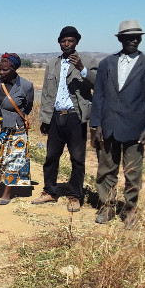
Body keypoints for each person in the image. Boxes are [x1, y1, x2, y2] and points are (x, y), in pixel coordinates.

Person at [90, 20, 145, 227]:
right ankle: (107, 207)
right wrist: (96, 124)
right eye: (129, 37)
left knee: (132, 173)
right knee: (106, 171)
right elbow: (99, 95)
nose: (134, 40)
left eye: (137, 37)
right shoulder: (107, 64)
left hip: (135, 128)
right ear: (120, 39)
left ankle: (130, 212)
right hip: (108, 126)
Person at [33, 26, 98, 212]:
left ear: (77, 42)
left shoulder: (87, 61)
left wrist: (82, 69)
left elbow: (97, 83)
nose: (66, 44)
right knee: (51, 156)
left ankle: (75, 195)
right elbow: (46, 92)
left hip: (76, 117)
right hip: (55, 117)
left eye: (70, 41)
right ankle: (50, 192)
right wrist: (45, 118)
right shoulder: (53, 63)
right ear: (59, 43)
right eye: (63, 41)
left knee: (77, 159)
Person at [0, 53, 34, 205]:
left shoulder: (25, 85)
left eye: (5, 70)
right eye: (0, 69)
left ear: (14, 69)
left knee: (12, 160)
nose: (1, 72)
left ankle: (7, 192)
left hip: (15, 128)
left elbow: (27, 107)